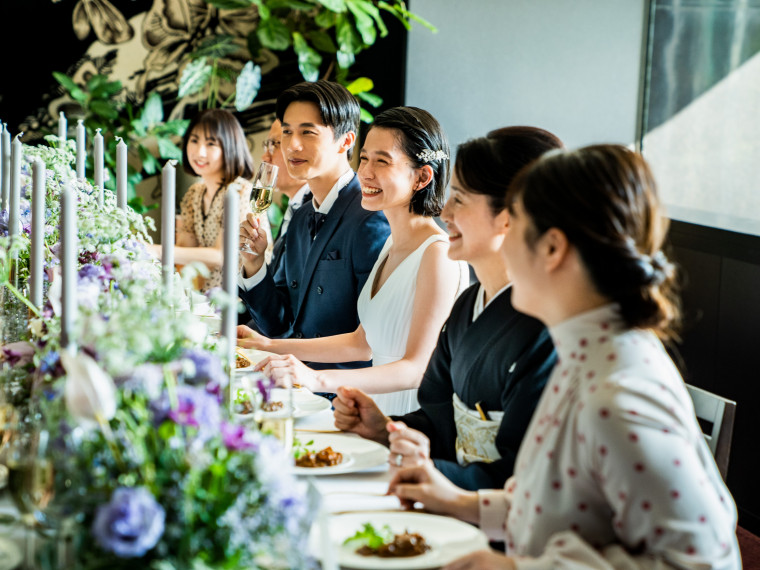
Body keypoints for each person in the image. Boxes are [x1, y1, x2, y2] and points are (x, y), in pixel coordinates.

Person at [388, 145, 740, 569]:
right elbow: (559, 504)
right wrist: (464, 503)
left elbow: (699, 562)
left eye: (515, 224)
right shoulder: (584, 355)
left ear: (552, 249)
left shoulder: (619, 394)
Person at [332, 127, 562, 488]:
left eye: (461, 198)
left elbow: (523, 478)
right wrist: (386, 428)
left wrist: (435, 476)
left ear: (509, 215)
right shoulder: (470, 305)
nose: (446, 210)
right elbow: (439, 420)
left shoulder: (548, 329)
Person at [240, 107, 469, 416]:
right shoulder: (392, 244)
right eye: (363, 158)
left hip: (410, 419)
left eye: (382, 161)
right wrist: (269, 346)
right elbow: (361, 342)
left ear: (422, 177)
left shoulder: (437, 254)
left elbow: (417, 369)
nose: (365, 172)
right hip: (373, 414)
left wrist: (314, 378)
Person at [237, 81, 390, 371]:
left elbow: (370, 342)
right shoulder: (301, 216)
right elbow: (279, 323)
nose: (292, 145)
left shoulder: (372, 216)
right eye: (287, 132)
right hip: (292, 378)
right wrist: (255, 265)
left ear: (346, 141)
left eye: (307, 132)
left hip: (339, 393)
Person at [147, 108, 254, 293]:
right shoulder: (194, 194)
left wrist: (154, 250)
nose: (199, 152)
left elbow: (221, 255)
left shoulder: (240, 191)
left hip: (240, 302)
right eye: (194, 140)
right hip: (205, 298)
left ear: (229, 146)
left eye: (211, 144)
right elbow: (185, 250)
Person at [262, 118, 309, 272]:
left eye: (274, 145)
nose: (265, 158)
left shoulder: (317, 211)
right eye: (266, 146)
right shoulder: (294, 206)